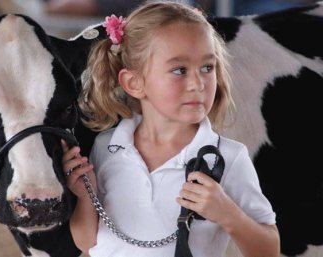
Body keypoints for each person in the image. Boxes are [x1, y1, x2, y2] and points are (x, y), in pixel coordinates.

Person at [61, 2, 280, 257]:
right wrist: (84, 196)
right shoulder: (106, 147)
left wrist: (228, 214)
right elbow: (87, 244)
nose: (198, 83)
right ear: (134, 83)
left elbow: (269, 251)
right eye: (179, 70)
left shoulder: (228, 158)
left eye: (208, 67)